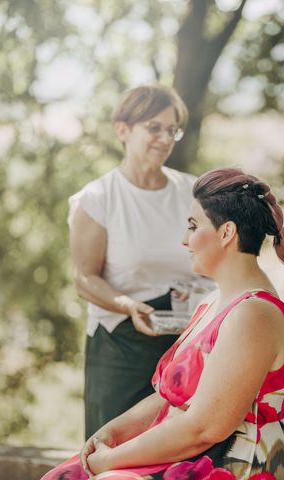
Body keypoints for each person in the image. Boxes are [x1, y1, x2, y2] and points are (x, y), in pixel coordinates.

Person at [43, 167, 284, 480]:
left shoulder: (255, 315)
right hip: (187, 457)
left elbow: (204, 428)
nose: (185, 240)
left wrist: (110, 462)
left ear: (226, 233)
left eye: (192, 226)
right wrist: (111, 434)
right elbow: (167, 398)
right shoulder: (211, 303)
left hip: (236, 466)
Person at [69, 85, 201, 440]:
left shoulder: (193, 193)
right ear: (123, 129)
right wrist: (129, 306)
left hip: (188, 343)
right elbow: (84, 278)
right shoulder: (98, 199)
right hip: (121, 344)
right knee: (114, 455)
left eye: (172, 129)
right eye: (153, 127)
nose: (164, 138)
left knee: (180, 456)